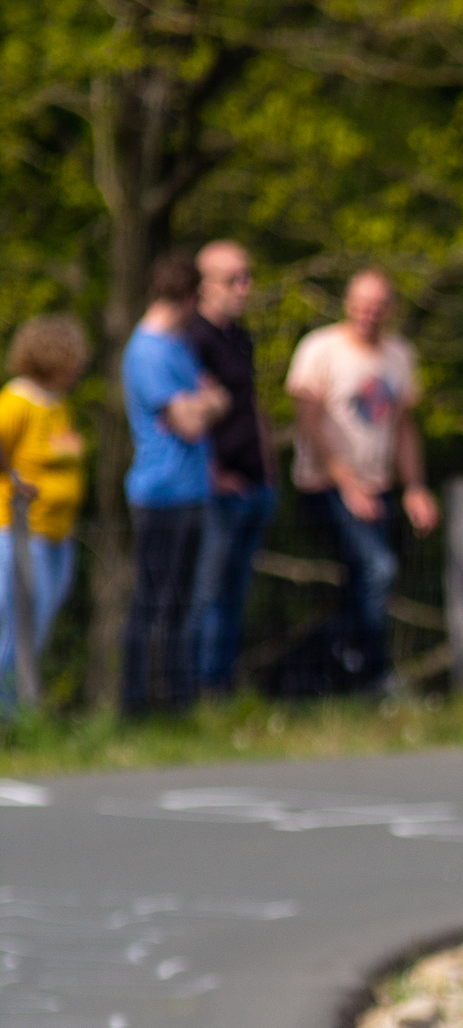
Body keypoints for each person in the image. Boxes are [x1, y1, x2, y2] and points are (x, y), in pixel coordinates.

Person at [285, 270, 437, 691]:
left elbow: (404, 427)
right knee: (376, 569)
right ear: (348, 304)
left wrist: (416, 487)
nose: (369, 314)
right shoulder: (320, 349)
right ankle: (371, 674)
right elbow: (309, 423)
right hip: (325, 487)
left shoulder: (399, 355)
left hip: (377, 488)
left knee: (363, 583)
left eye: (378, 305)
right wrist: (346, 483)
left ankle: (340, 675)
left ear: (391, 309)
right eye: (361, 304)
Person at [121, 255, 228, 717]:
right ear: (187, 297)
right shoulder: (147, 351)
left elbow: (217, 398)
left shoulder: (179, 345)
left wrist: (203, 404)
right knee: (153, 603)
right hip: (160, 493)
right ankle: (139, 705)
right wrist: (205, 406)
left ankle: (176, 703)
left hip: (192, 490)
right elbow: (188, 422)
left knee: (183, 603)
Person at [185, 241, 277, 695]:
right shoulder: (192, 339)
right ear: (203, 285)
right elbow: (186, 417)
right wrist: (213, 474)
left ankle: (221, 689)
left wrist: (269, 467)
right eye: (232, 279)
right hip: (217, 490)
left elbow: (250, 404)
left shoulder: (241, 336)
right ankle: (196, 689)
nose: (244, 288)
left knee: (236, 595)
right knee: (207, 594)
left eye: (248, 276)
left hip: (254, 483)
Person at [0, 315, 91, 710]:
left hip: (57, 534)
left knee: (38, 628)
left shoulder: (57, 405)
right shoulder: (17, 401)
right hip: (20, 534)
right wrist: (15, 480)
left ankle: (19, 711)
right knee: (14, 628)